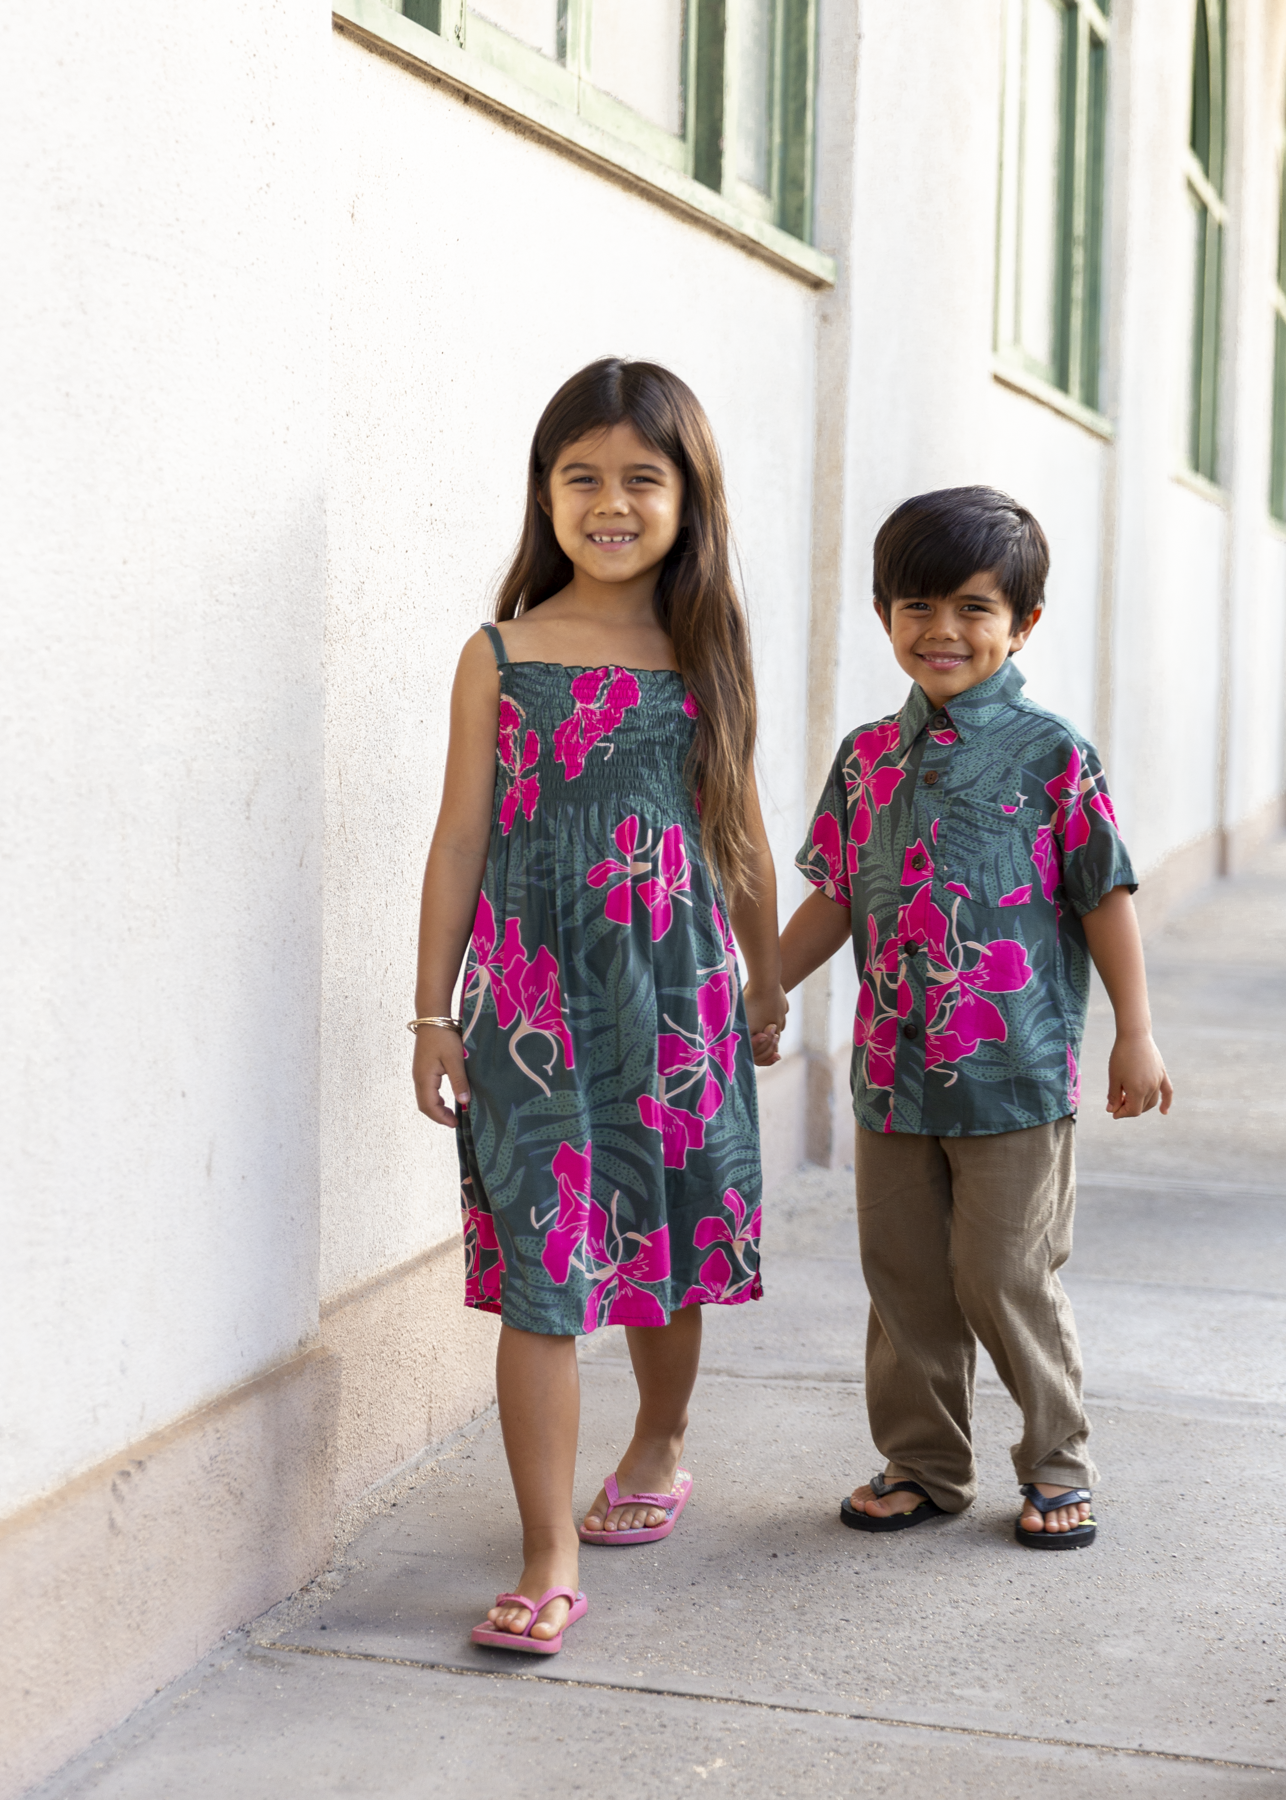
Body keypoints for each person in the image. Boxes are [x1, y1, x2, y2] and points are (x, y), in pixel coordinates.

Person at [411, 357, 787, 1652]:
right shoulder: (499, 652)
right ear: (544, 493)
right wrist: (427, 1013)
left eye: (641, 477)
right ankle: (545, 1545)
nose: (610, 502)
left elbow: (735, 825)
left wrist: (767, 977)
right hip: (524, 1003)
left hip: (673, 995)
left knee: (662, 1249)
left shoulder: (703, 651)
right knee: (540, 1268)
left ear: (688, 499)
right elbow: (459, 838)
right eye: (582, 478)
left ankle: (660, 1438)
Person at [777, 486, 1171, 1550]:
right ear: (881, 613)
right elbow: (832, 891)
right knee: (903, 1279)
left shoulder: (1052, 757)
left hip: (1013, 1074)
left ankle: (1055, 1463)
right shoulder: (865, 758)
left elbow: (1102, 893)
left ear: (1021, 623)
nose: (940, 631)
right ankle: (922, 1463)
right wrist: (764, 985)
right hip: (888, 1078)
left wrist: (1132, 1029)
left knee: (1003, 1275)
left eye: (971, 608)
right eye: (914, 606)